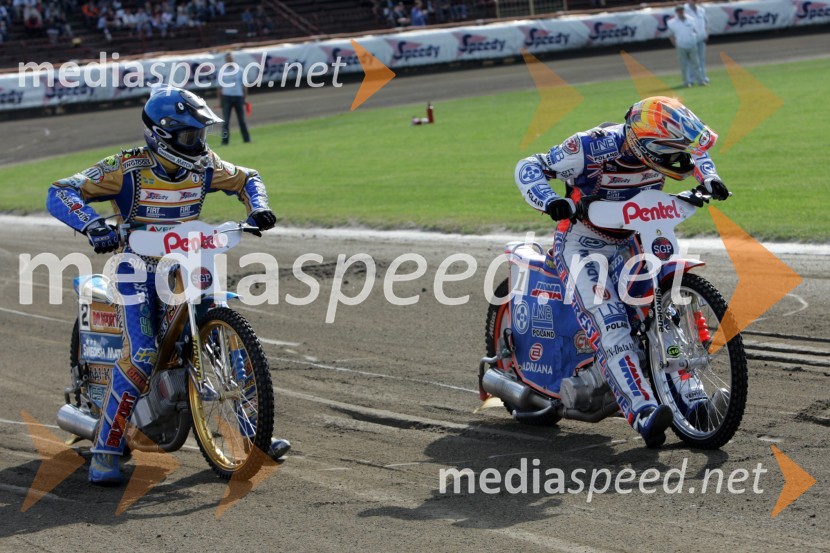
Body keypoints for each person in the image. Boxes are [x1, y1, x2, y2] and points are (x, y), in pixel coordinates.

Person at [46, 85, 289, 485]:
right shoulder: (125, 167)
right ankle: (106, 449)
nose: (199, 143)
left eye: (200, 134)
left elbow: (248, 178)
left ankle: (252, 432)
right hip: (134, 268)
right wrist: (92, 225)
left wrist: (258, 207)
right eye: (190, 135)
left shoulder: (205, 164)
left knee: (224, 335)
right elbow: (62, 190)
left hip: (188, 262)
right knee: (142, 353)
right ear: (161, 134)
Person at [513, 96, 729, 448]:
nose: (679, 157)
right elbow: (530, 166)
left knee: (665, 316)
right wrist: (550, 200)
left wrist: (710, 178)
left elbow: (696, 154)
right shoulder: (588, 147)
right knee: (611, 325)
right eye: (669, 149)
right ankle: (643, 411)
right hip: (582, 246)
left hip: (635, 239)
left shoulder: (664, 148)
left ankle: (694, 402)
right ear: (645, 144)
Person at [218, 52, 251, 145]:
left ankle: (247, 139)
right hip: (226, 97)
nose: (230, 60)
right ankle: (224, 142)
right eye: (228, 59)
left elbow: (244, 85)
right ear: (225, 60)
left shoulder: (240, 70)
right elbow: (219, 88)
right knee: (225, 122)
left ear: (233, 59)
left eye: (231, 58)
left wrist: (245, 98)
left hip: (238, 96)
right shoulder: (222, 72)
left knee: (242, 120)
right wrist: (220, 100)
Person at [667, 5, 703, 87]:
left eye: (682, 10)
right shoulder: (672, 22)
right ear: (676, 12)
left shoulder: (691, 19)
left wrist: (694, 39)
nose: (681, 12)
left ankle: (700, 80)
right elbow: (670, 35)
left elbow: (695, 30)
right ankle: (686, 82)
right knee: (683, 65)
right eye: (679, 11)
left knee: (696, 64)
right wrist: (675, 44)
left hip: (692, 44)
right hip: (681, 45)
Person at [685, 0, 710, 85]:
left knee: (701, 58)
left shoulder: (701, 10)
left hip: (701, 37)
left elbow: (705, 22)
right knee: (691, 59)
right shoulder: (684, 9)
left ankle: (703, 77)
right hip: (691, 38)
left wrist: (706, 33)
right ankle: (691, 79)